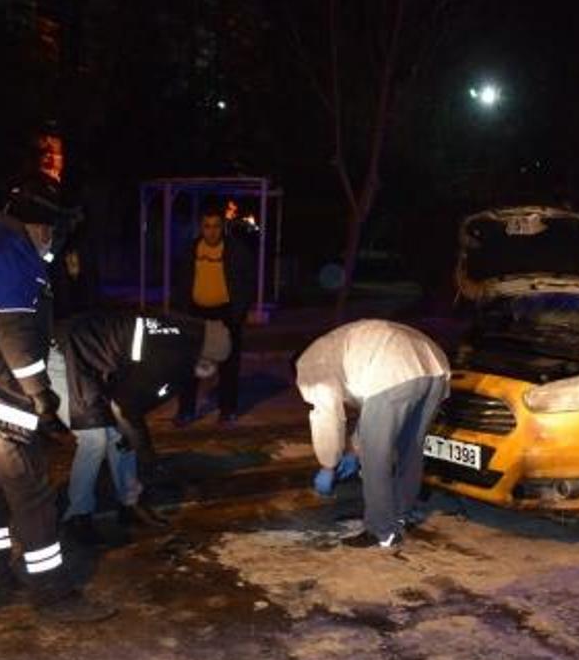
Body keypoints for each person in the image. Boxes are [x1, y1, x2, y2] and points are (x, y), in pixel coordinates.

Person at [0, 174, 113, 623]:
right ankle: (52, 595)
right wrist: (41, 396)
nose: (53, 240)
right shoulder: (12, 252)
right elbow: (13, 332)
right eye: (53, 230)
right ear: (40, 225)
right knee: (33, 495)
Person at [51, 310, 232, 545]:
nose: (211, 371)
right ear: (204, 355)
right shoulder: (167, 351)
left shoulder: (178, 334)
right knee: (95, 438)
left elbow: (128, 401)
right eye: (213, 363)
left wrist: (136, 440)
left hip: (88, 360)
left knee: (119, 436)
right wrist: (147, 455)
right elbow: (128, 407)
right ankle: (77, 517)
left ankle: (130, 505)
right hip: (61, 355)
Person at [294, 320, 451, 549]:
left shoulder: (309, 364)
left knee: (375, 459)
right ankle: (401, 514)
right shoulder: (336, 345)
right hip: (434, 365)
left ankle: (382, 531)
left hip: (393, 371)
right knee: (410, 448)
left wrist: (328, 464)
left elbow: (328, 416)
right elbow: (371, 408)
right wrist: (354, 448)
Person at [174, 204, 255, 426]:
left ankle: (227, 410)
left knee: (228, 364)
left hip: (226, 313)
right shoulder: (190, 250)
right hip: (196, 314)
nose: (211, 231)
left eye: (216, 226)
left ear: (223, 227)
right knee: (190, 363)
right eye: (207, 226)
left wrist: (238, 313)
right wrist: (181, 311)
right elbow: (180, 282)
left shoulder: (237, 251)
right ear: (201, 227)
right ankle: (186, 410)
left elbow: (248, 282)